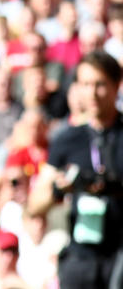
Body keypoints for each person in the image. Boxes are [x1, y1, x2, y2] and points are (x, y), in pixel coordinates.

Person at [28, 51, 123, 289]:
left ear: (116, 86)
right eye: (85, 84)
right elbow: (34, 205)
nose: (91, 93)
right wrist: (59, 188)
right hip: (81, 258)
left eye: (100, 84)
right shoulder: (67, 139)